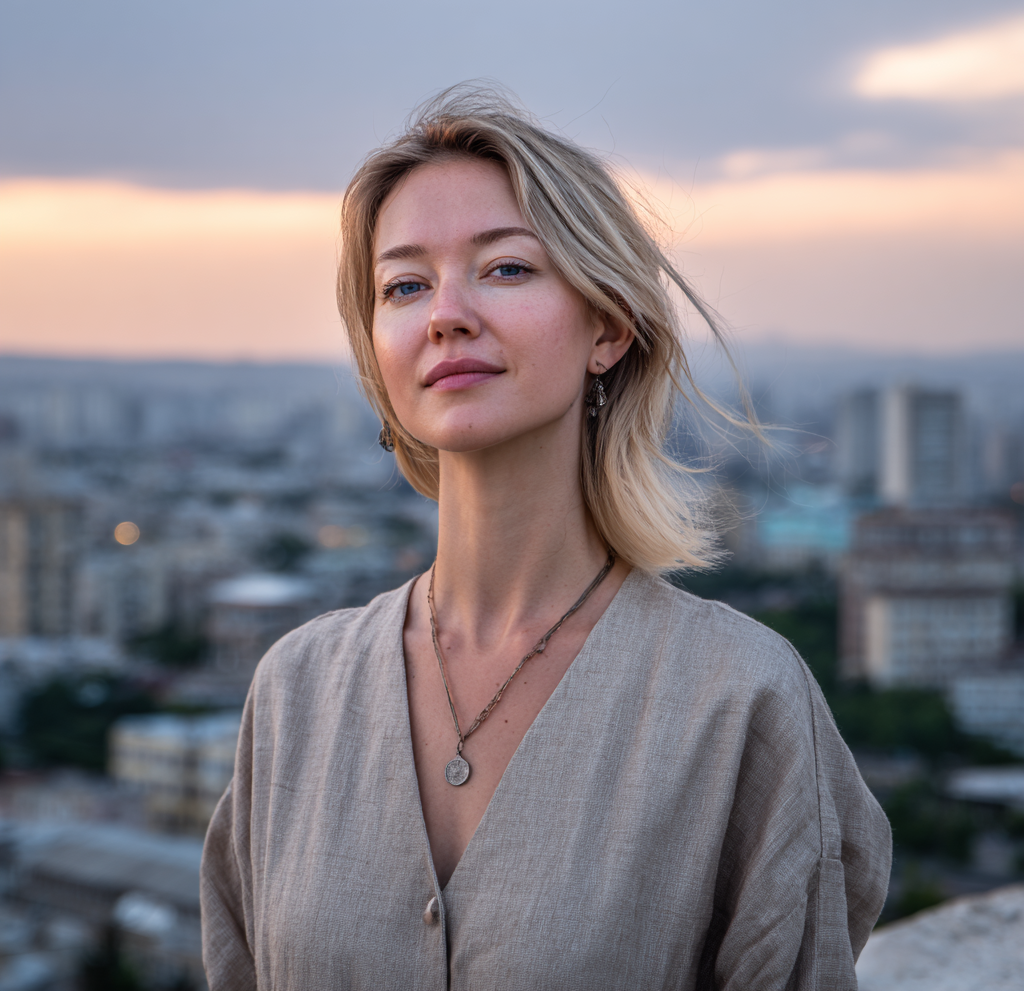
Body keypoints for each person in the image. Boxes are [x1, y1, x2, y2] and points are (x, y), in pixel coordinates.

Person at [200, 86, 891, 991]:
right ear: (379, 352)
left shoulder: (739, 700)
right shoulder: (295, 692)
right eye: (405, 285)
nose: (446, 312)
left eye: (506, 269)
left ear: (607, 325)